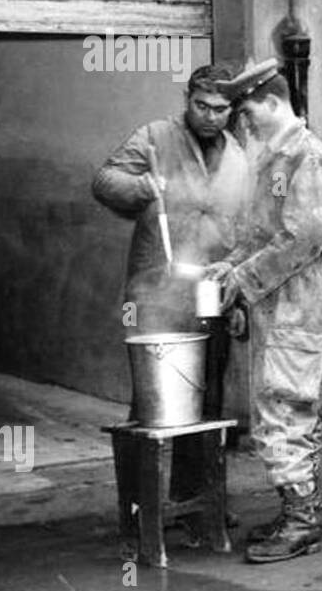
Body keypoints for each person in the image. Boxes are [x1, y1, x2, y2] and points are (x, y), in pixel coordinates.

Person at [206, 58, 322, 564]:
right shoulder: (274, 156)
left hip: (297, 304)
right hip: (275, 303)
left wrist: (244, 278)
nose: (242, 122)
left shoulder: (305, 157)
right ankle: (294, 509)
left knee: (287, 407)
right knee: (273, 405)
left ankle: (304, 519)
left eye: (247, 111)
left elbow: (303, 238)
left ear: (270, 102)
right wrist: (230, 266)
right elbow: (260, 232)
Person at [92, 64, 248, 515]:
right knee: (153, 402)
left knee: (208, 398)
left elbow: (244, 228)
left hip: (210, 294)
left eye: (221, 108)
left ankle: (193, 498)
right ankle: (142, 504)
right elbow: (104, 181)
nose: (211, 116)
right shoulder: (155, 137)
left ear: (232, 109)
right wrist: (139, 185)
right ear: (187, 98)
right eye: (202, 105)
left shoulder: (238, 155)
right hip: (156, 291)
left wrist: (238, 296)